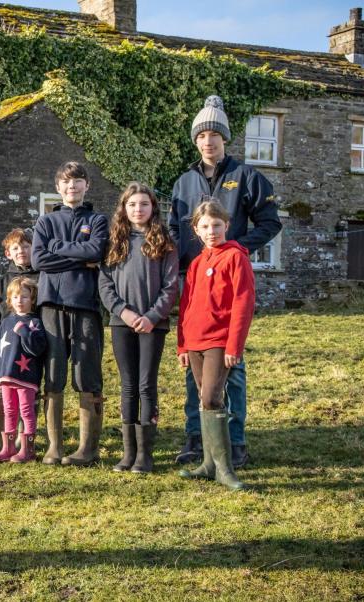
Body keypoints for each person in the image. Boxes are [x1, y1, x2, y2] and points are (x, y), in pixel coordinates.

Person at [169, 95, 281, 468]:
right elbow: (173, 231)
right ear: (195, 140)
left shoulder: (246, 177)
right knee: (194, 365)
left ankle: (235, 441)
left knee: (231, 364)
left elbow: (270, 223)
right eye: (202, 135)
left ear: (225, 139)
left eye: (215, 135)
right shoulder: (183, 182)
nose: (208, 141)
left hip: (231, 281)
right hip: (194, 279)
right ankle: (196, 438)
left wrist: (237, 248)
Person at [31, 161, 109, 466]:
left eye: (77, 182)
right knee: (54, 373)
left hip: (85, 304)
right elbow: (38, 260)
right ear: (58, 187)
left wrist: (57, 250)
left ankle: (87, 447)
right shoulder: (45, 223)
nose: (72, 187)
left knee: (86, 372)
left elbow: (96, 252)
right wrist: (78, 255)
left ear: (86, 185)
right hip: (50, 304)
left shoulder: (97, 219)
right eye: (66, 182)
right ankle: (55, 446)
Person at [99, 182, 179, 474]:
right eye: (132, 204)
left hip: (152, 325)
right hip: (122, 322)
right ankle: (128, 451)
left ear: (153, 208)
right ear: (124, 208)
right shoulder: (114, 242)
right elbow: (105, 285)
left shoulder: (164, 242)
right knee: (128, 385)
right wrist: (125, 312)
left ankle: (145, 453)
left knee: (147, 384)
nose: (138, 209)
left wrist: (152, 316)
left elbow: (171, 286)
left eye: (144, 204)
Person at [177, 200, 254, 491]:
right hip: (194, 341)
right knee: (202, 398)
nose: (211, 231)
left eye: (216, 225)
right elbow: (185, 306)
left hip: (220, 341)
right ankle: (208, 464)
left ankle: (224, 468)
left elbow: (243, 303)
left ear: (226, 225)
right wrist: (182, 346)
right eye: (205, 226)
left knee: (211, 397)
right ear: (196, 229)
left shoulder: (236, 257)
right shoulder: (197, 263)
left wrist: (234, 345)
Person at [0, 228, 39, 457]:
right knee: (2, 389)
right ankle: (0, 439)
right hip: (6, 346)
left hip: (29, 345)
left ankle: (26, 442)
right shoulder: (3, 280)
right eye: (16, 248)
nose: (22, 251)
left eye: (26, 246)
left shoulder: (41, 276)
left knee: (27, 392)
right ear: (8, 253)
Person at [0, 277, 48, 463]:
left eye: (24, 297)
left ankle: (28, 449)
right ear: (9, 300)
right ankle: (8, 447)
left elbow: (37, 348)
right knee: (9, 410)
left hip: (26, 377)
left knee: (26, 410)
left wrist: (24, 331)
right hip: (6, 377)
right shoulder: (5, 322)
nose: (19, 301)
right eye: (15, 297)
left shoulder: (35, 323)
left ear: (32, 299)